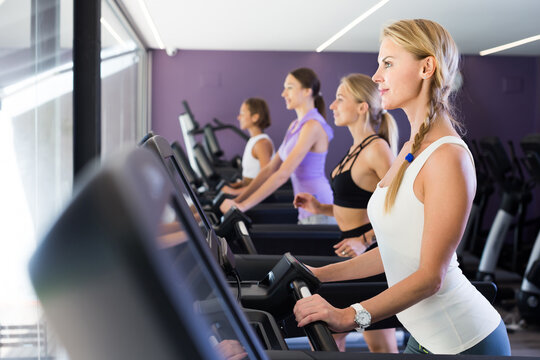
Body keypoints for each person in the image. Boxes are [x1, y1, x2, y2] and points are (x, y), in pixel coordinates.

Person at [293, 19, 511, 355]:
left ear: (426, 67)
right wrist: (319, 274)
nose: (377, 75)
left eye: (388, 64)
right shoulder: (410, 148)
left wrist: (350, 316)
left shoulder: (448, 157)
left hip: (464, 342)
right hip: (422, 337)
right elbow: (395, 252)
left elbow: (430, 277)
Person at [293, 73, 399, 352]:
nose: (332, 105)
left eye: (341, 99)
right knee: (335, 337)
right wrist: (319, 208)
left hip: (370, 256)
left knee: (378, 344)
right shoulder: (355, 148)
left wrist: (363, 241)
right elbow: (354, 203)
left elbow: (400, 212)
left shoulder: (378, 149)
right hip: (349, 251)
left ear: (362, 107)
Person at [220, 67, 336, 224]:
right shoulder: (295, 125)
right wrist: (238, 199)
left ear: (307, 91)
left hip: (319, 205)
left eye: (289, 87)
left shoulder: (313, 126)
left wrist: (242, 206)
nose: (284, 93)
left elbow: (282, 174)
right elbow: (269, 169)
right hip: (304, 207)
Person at [221, 98, 274, 195]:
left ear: (255, 117)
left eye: (242, 113)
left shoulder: (261, 143)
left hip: (257, 197)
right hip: (249, 191)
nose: (238, 117)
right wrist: (239, 184)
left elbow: (265, 180)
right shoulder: (254, 140)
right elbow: (253, 176)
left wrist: (234, 192)